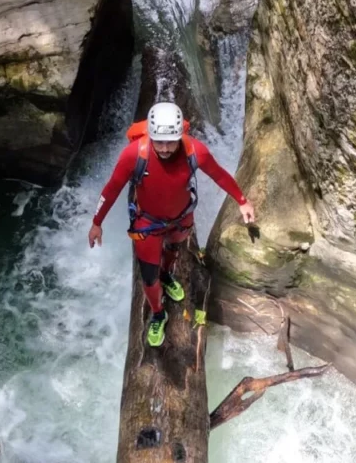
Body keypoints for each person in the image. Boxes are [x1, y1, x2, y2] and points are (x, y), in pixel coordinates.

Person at [89, 102, 255, 346]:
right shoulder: (134, 155)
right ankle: (158, 314)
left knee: (173, 251)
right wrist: (96, 223)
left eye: (171, 141)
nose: (165, 148)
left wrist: (242, 201)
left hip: (181, 218)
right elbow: (111, 189)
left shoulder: (195, 152)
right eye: (159, 141)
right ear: (151, 136)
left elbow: (219, 174)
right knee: (147, 277)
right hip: (148, 222)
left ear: (180, 136)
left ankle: (167, 274)